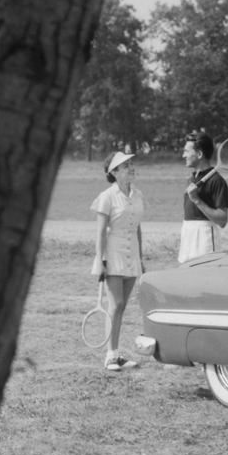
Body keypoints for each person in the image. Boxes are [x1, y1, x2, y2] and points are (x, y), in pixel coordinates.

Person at [91, 151, 145, 372]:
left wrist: (140, 257)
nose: (131, 168)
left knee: (122, 307)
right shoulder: (107, 197)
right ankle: (110, 356)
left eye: (131, 164)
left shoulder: (138, 194)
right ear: (114, 172)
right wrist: (100, 261)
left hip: (132, 254)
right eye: (125, 166)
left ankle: (115, 353)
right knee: (116, 304)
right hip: (112, 254)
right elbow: (100, 233)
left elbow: (138, 227)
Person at [179, 130, 228, 263]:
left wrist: (197, 200)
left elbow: (222, 220)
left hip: (205, 241)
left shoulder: (217, 181)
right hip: (187, 236)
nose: (183, 155)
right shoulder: (191, 179)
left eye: (186, 151)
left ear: (199, 154)